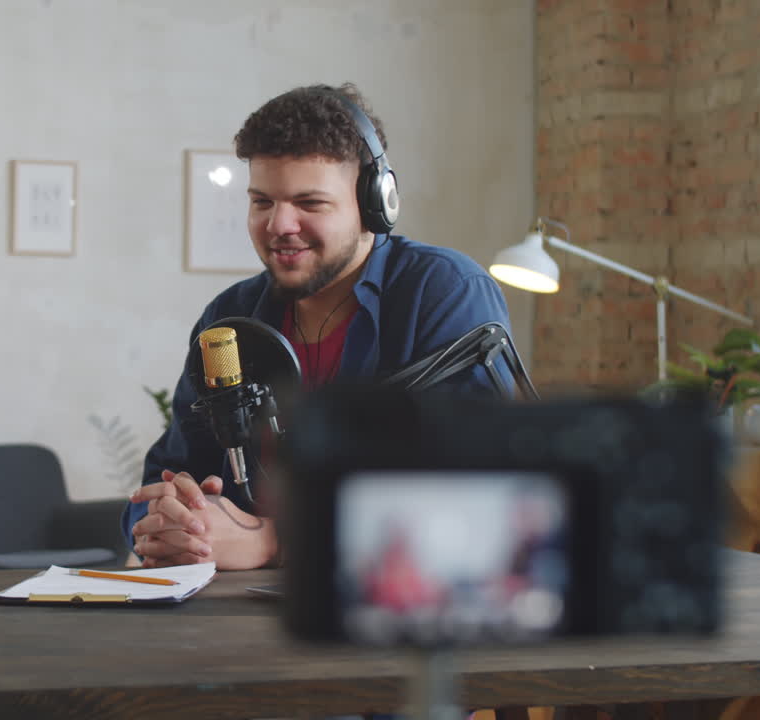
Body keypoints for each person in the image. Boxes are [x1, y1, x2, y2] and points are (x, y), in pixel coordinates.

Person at [122, 83, 513, 571]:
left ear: (375, 205)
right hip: (228, 627)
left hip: (391, 621)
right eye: (262, 201)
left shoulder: (445, 292)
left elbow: (481, 499)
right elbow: (160, 484)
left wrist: (273, 542)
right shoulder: (229, 318)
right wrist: (172, 524)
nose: (278, 224)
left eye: (309, 203)